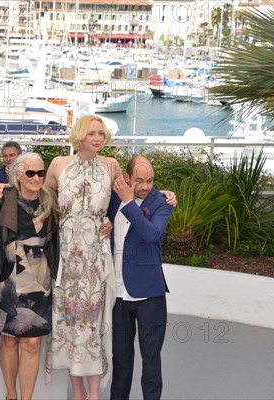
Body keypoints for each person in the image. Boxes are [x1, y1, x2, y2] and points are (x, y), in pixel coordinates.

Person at [44, 114, 120, 400]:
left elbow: (129, 197)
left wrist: (111, 218)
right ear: (80, 136)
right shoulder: (58, 165)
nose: (98, 138)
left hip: (95, 261)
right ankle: (77, 393)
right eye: (92, 134)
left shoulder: (111, 166)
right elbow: (41, 196)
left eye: (101, 133)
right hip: (65, 259)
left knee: (94, 327)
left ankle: (94, 395)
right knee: (70, 325)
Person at [0, 152, 60, 400]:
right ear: (18, 175)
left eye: (40, 172)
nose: (36, 178)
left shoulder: (51, 201)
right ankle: (11, 395)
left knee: (32, 343)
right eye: (30, 173)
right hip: (8, 279)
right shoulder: (3, 199)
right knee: (9, 340)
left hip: (39, 280)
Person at [107, 156, 173, 400]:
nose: (146, 186)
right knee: (121, 359)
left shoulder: (163, 202)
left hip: (149, 294)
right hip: (117, 293)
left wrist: (128, 201)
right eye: (139, 180)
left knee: (151, 358)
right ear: (126, 177)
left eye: (150, 180)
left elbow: (151, 235)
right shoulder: (114, 197)